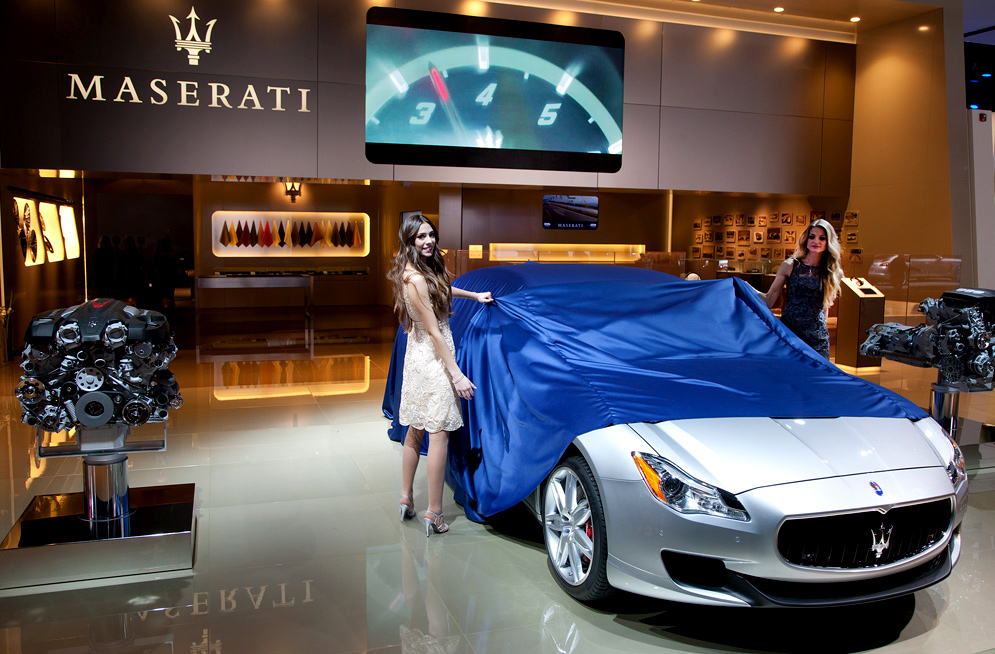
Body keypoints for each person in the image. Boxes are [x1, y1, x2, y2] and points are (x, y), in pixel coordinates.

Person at [387, 214, 493, 537]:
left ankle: (406, 497)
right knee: (438, 434)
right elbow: (435, 332)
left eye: (431, 234)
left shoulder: (414, 271)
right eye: (421, 237)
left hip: (417, 357)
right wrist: (456, 374)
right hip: (433, 359)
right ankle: (434, 511)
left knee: (415, 429)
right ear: (410, 241)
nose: (429, 241)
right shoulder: (416, 278)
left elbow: (442, 290)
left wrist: (475, 296)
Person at [762, 218, 842, 359]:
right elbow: (769, 299)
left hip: (817, 339)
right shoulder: (790, 266)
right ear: (806, 239)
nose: (816, 241)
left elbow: (825, 307)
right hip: (790, 334)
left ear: (828, 242)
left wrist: (823, 332)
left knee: (818, 373)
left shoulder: (833, 272)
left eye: (822, 238)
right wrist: (744, 286)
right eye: (812, 236)